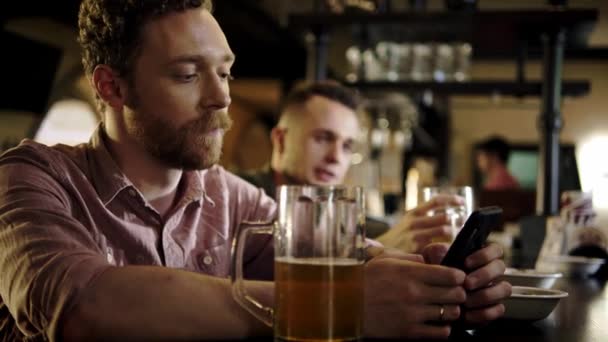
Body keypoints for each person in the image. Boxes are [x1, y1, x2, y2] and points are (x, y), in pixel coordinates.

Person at [0, 1, 510, 340]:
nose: (221, 96)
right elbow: (84, 306)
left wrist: (435, 276)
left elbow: (354, 259)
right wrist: (329, 304)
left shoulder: (230, 195)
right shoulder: (33, 176)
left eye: (224, 71)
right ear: (112, 87)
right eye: (187, 74)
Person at [239, 81, 463, 254]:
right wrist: (370, 251)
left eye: (347, 146)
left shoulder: (355, 222)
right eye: (323, 138)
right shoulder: (238, 199)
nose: (336, 157)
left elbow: (387, 235)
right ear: (280, 140)